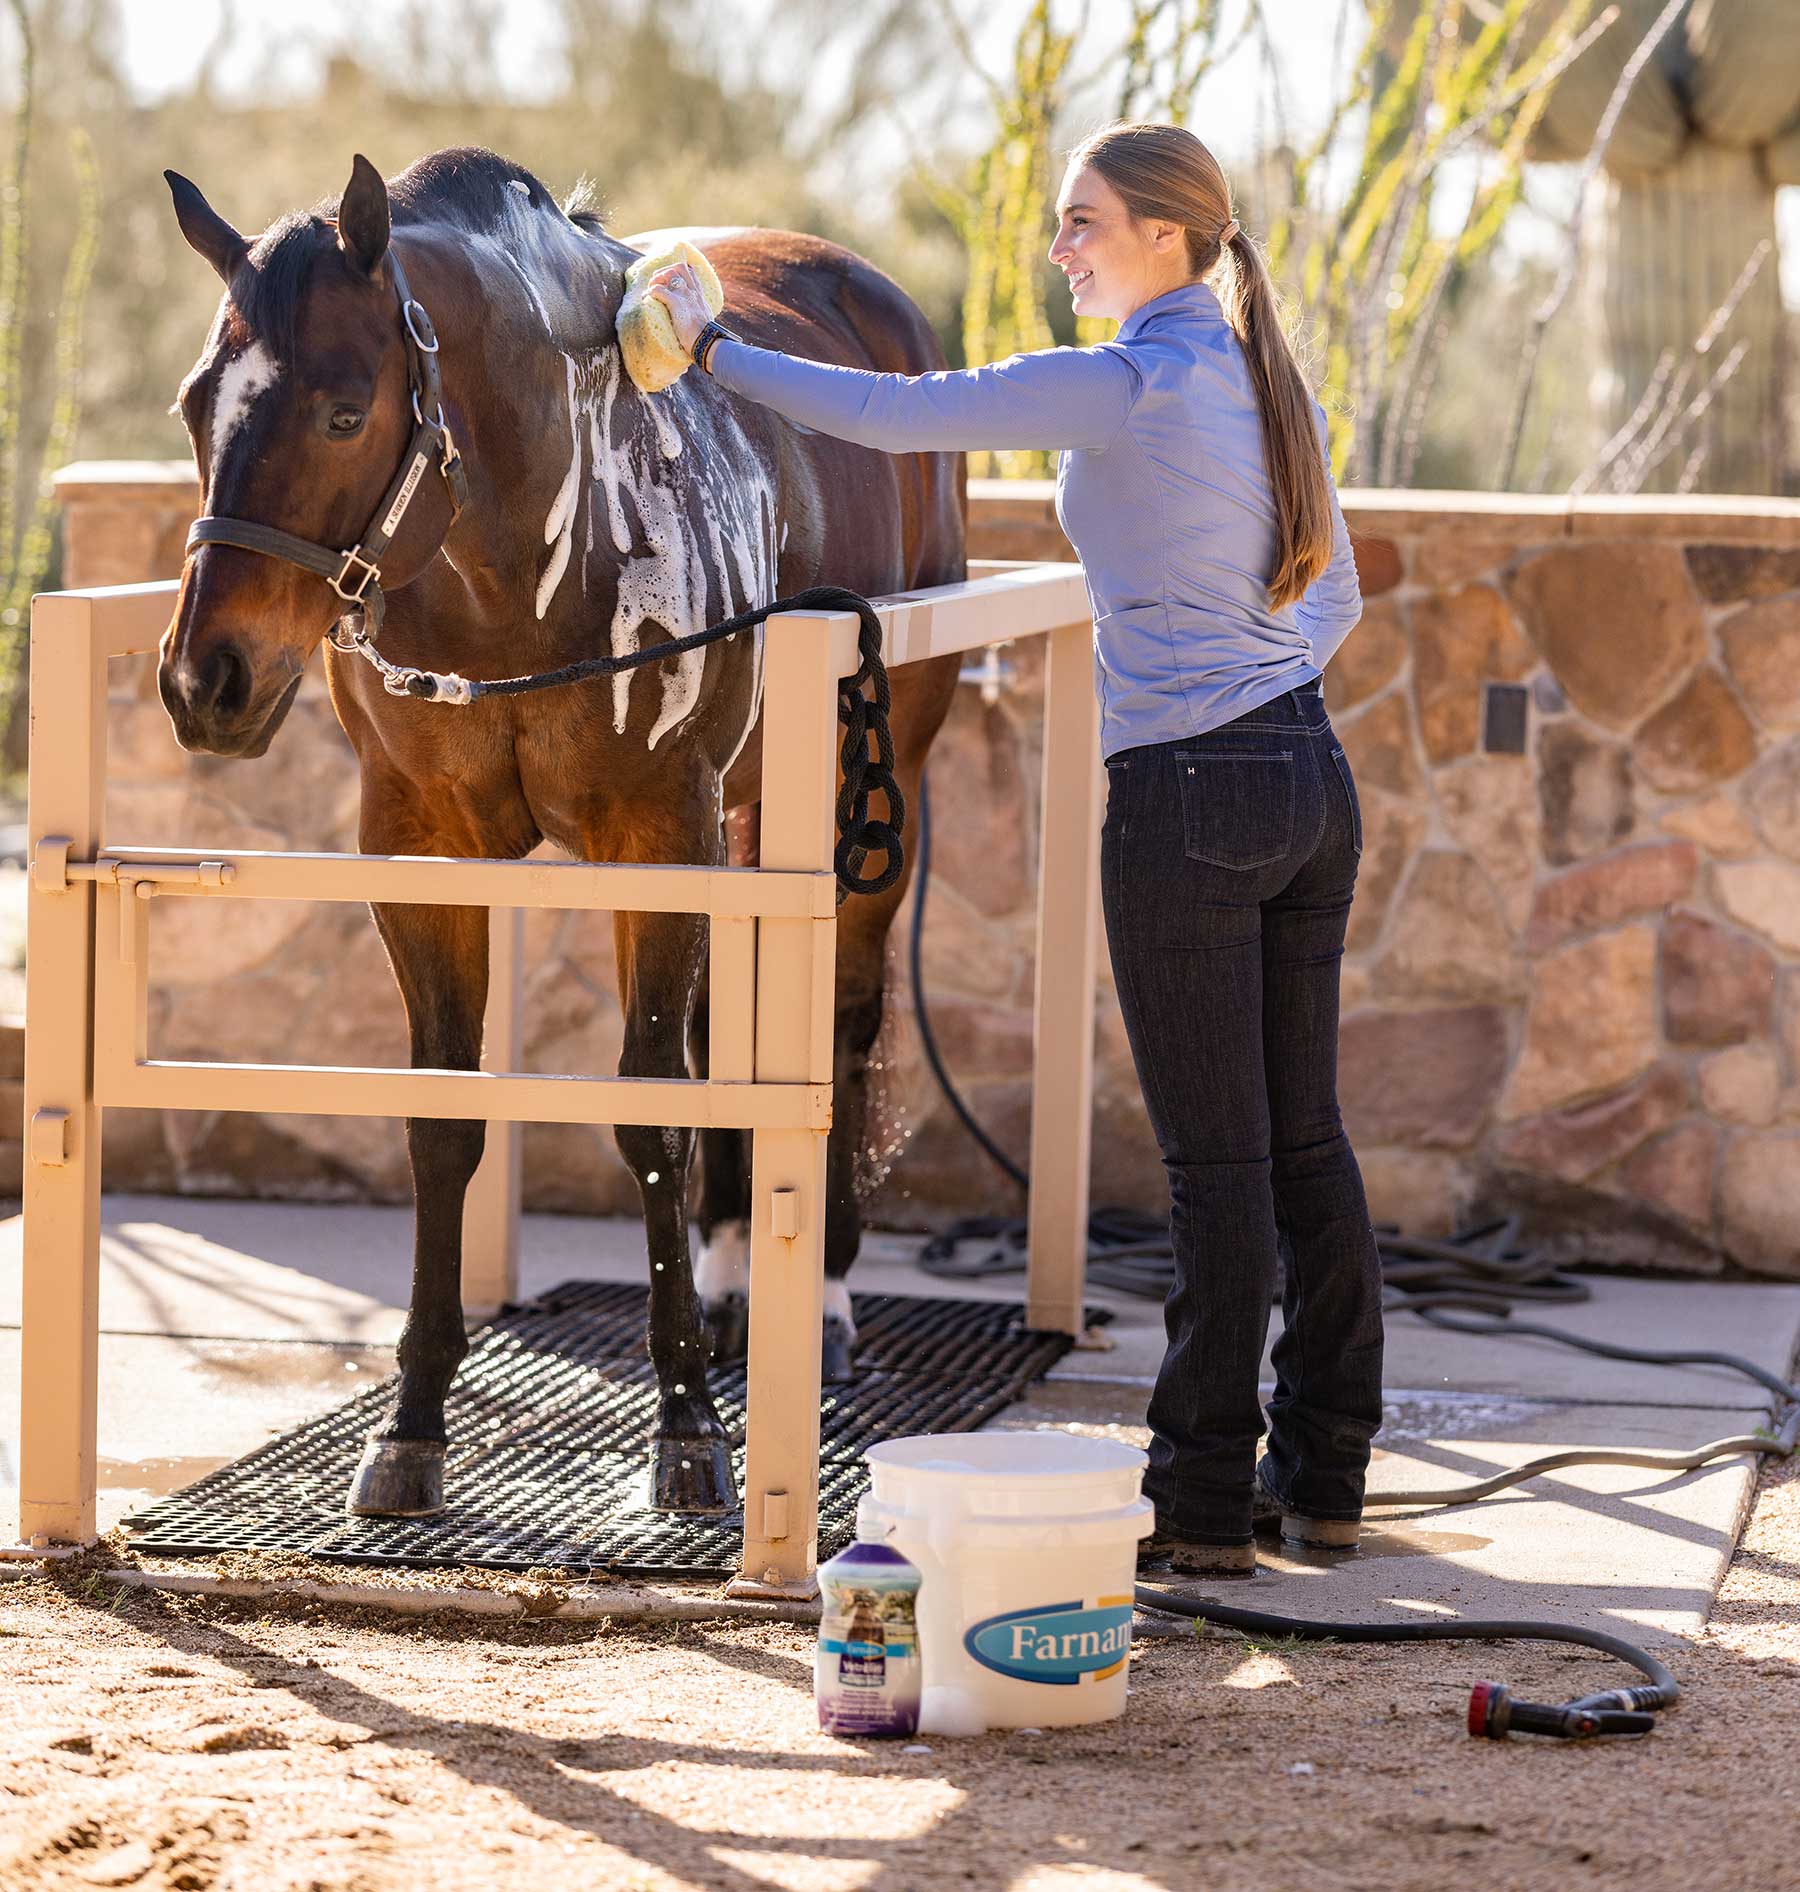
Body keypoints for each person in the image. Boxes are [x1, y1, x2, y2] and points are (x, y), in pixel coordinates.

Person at [649, 119, 1383, 1579]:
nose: (1062, 249)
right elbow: (1339, 591)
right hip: (1309, 771)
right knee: (1304, 1137)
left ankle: (1195, 1500)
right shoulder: (1254, 375)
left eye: (1085, 223)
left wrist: (712, 349)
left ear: (1169, 239)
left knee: (1217, 1164)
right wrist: (1250, 673)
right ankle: (1326, 1475)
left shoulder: (1130, 379)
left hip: (1188, 793)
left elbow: (898, 413)